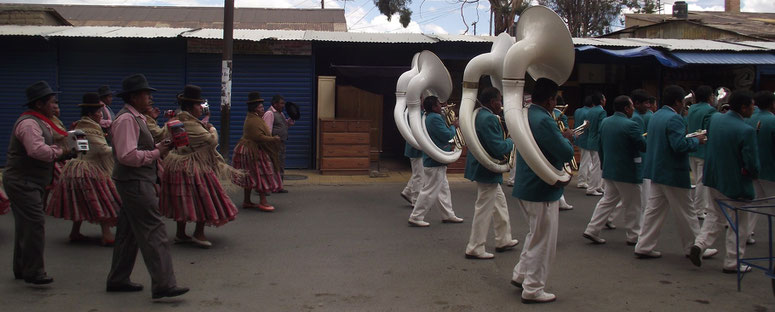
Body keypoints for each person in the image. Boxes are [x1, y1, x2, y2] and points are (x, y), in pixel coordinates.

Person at [106, 73, 188, 299]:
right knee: (154, 230)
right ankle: (164, 284)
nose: (150, 98)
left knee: (128, 232)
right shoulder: (126, 120)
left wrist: (162, 145)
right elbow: (126, 155)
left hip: (137, 179)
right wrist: (155, 153)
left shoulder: (137, 118)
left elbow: (137, 148)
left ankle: (118, 278)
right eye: (146, 94)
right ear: (133, 97)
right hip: (134, 181)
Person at [510, 78, 574, 304]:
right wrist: (566, 138)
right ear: (549, 100)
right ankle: (533, 288)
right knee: (543, 242)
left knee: (534, 235)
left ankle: (520, 274)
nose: (556, 103)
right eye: (556, 99)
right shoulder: (544, 120)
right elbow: (566, 153)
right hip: (541, 188)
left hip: (527, 185)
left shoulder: (526, 113)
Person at [160, 85, 247, 248]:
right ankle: (198, 234)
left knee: (183, 200)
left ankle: (181, 233)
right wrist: (212, 129)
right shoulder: (190, 124)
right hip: (194, 168)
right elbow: (211, 141)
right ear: (190, 107)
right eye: (198, 105)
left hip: (178, 166)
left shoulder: (177, 121)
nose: (201, 108)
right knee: (203, 198)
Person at [689, 90, 760, 273]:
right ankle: (733, 262)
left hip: (713, 176)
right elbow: (751, 162)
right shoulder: (746, 130)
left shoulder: (716, 119)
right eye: (751, 105)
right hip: (735, 182)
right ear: (743, 107)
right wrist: (754, 174)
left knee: (715, 215)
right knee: (738, 224)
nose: (753, 109)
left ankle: (700, 244)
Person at [634, 85, 708, 260]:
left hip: (657, 169)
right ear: (677, 101)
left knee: (654, 211)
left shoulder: (656, 115)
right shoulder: (675, 119)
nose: (684, 104)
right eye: (683, 101)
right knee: (687, 212)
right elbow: (679, 146)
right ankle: (695, 246)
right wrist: (696, 141)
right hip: (672, 171)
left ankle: (643, 245)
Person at [5, 81, 65, 285]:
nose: (55, 105)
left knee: (25, 226)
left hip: (29, 180)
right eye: (51, 102)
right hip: (23, 181)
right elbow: (36, 151)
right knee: (35, 224)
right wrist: (60, 152)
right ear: (39, 104)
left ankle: (22, 267)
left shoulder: (41, 121)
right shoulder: (30, 124)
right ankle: (34, 272)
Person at [47, 92, 120, 246]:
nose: (101, 115)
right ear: (91, 114)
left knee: (79, 201)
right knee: (103, 199)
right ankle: (106, 234)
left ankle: (75, 232)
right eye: (99, 112)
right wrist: (119, 149)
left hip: (74, 168)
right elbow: (102, 150)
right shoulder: (91, 129)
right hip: (90, 170)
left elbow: (75, 148)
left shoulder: (80, 126)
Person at [463, 87, 519, 259]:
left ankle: (503, 238)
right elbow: (498, 147)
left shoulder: (480, 114)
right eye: (500, 101)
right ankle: (475, 247)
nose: (501, 104)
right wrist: (512, 140)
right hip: (487, 169)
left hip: (483, 167)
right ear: (493, 102)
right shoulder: (488, 118)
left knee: (499, 204)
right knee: (484, 208)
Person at [582, 95, 646, 246]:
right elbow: (642, 146)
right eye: (631, 107)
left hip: (610, 168)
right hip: (627, 170)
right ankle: (634, 235)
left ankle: (592, 229)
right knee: (633, 205)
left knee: (607, 201)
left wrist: (604, 164)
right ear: (626, 108)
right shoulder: (631, 125)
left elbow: (600, 144)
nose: (633, 109)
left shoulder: (606, 122)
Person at [407, 96, 464, 227]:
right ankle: (416, 216)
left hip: (436, 158)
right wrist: (454, 126)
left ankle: (448, 214)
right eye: (439, 105)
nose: (441, 107)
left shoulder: (430, 117)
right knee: (430, 190)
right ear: (433, 107)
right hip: (436, 159)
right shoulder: (435, 118)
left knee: (443, 189)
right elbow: (447, 135)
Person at [233, 91, 283, 212]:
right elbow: (258, 137)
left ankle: (247, 201)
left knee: (250, 176)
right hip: (254, 151)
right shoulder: (253, 120)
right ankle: (263, 201)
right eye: (260, 107)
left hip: (250, 150)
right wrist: (273, 139)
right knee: (261, 175)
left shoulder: (255, 117)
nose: (263, 109)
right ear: (255, 108)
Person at [744, 91, 775, 245]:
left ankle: (746, 233)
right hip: (770, 170)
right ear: (772, 104)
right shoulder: (772, 120)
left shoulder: (750, 118)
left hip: (753, 167)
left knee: (753, 202)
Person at [686, 86, 717, 220]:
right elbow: (709, 130)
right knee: (702, 182)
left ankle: (699, 207)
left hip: (692, 148)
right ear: (709, 96)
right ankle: (698, 209)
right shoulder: (710, 110)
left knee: (698, 179)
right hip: (703, 149)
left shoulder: (692, 108)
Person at [263, 94, 294, 193]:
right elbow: (267, 130)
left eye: (284, 103)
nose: (283, 105)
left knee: (280, 164)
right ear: (275, 104)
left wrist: (291, 119)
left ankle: (279, 186)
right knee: (271, 165)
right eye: (281, 103)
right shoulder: (270, 113)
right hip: (273, 145)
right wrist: (270, 142)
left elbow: (284, 124)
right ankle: (268, 187)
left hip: (281, 143)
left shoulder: (280, 114)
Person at [584, 92, 607, 196]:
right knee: (597, 166)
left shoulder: (590, 111)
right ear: (602, 101)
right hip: (597, 141)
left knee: (595, 164)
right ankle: (592, 187)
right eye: (604, 98)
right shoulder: (601, 112)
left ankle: (598, 186)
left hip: (590, 139)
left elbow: (587, 126)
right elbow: (601, 128)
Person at [573, 96, 592, 189]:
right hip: (586, 139)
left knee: (586, 160)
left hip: (578, 137)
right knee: (586, 161)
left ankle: (586, 179)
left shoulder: (578, 110)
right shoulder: (590, 113)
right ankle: (582, 181)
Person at [400, 141, 423, 207]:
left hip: (417, 149)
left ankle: (408, 191)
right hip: (418, 150)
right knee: (419, 175)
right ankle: (416, 200)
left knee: (419, 173)